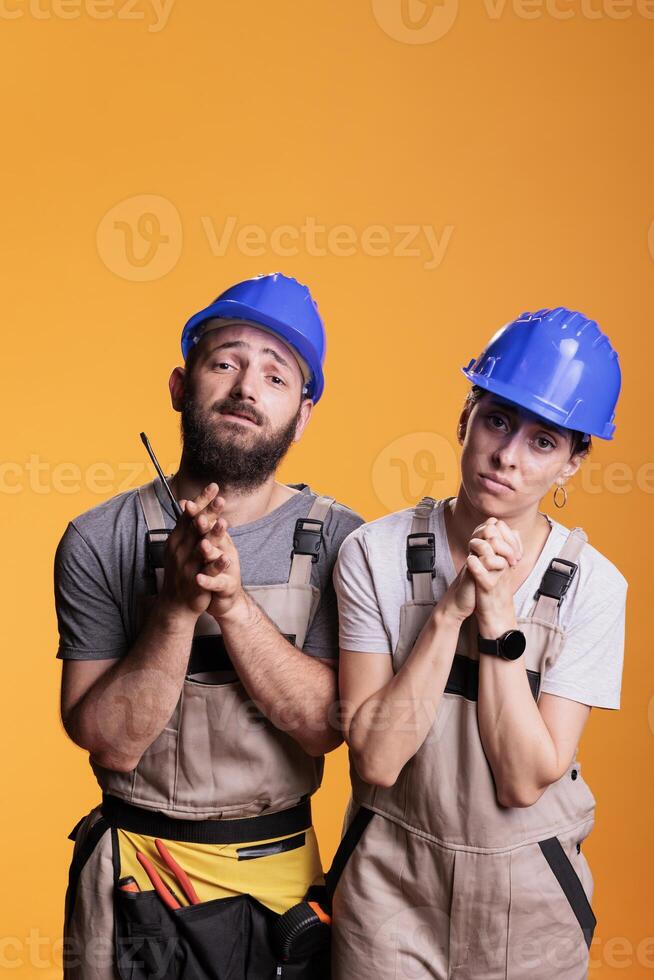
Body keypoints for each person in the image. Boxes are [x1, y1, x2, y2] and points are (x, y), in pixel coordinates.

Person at [55, 272, 364, 979]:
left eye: (275, 376)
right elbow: (111, 743)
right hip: (135, 879)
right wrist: (174, 608)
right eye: (224, 362)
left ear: (303, 413)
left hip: (281, 884)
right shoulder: (99, 537)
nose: (246, 388)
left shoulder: (345, 541)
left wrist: (230, 600)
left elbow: (322, 726)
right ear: (179, 385)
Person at [330, 307, 626, 980]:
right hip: (388, 892)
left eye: (544, 442)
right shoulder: (371, 553)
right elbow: (377, 757)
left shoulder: (597, 589)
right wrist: (449, 609)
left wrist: (495, 616)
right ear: (466, 416)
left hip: (531, 905)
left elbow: (525, 778)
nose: (508, 457)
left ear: (574, 462)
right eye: (497, 419)